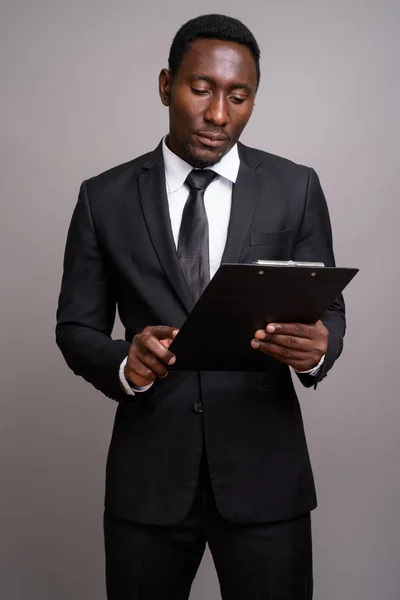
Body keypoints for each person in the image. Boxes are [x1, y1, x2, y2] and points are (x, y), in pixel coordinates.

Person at [56, 13, 345, 600]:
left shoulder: (297, 188)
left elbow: (329, 312)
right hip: (149, 480)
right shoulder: (102, 198)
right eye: (201, 89)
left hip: (266, 475)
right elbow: (75, 326)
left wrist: (319, 351)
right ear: (167, 85)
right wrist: (121, 363)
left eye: (239, 97)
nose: (219, 114)